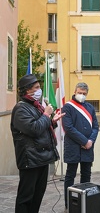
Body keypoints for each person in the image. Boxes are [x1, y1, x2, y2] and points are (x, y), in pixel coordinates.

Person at [10, 74, 65, 213]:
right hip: (30, 159)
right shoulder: (20, 109)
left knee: (38, 195)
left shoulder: (35, 106)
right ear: (28, 90)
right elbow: (33, 129)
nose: (40, 90)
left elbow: (39, 127)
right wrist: (46, 115)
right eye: (37, 87)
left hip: (41, 158)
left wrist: (52, 121)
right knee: (26, 197)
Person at [62, 82, 99, 210]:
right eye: (79, 93)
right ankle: (69, 203)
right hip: (73, 146)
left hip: (88, 148)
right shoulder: (67, 107)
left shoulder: (90, 107)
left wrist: (91, 141)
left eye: (84, 94)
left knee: (86, 175)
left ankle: (85, 202)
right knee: (70, 175)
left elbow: (95, 126)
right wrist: (84, 141)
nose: (82, 95)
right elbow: (68, 128)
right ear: (75, 91)